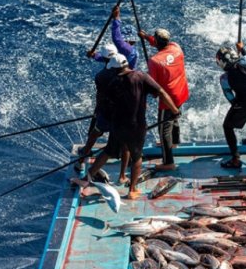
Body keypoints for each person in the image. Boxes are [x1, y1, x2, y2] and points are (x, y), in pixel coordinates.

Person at [86, 54, 179, 199]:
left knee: (108, 151)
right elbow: (160, 92)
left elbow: (105, 104)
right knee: (136, 157)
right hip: (136, 126)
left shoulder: (113, 82)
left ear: (115, 69)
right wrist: (174, 110)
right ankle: (132, 190)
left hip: (117, 125)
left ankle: (87, 178)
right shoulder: (141, 76)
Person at [138, 27, 190, 171]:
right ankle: (174, 142)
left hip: (168, 99)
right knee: (175, 117)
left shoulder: (154, 61)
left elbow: (153, 86)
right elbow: (159, 43)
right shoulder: (176, 48)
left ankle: (168, 162)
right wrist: (146, 37)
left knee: (163, 130)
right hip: (181, 92)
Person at [76, 43, 129, 181]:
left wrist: (97, 111)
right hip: (123, 115)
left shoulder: (101, 76)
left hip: (106, 113)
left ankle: (81, 159)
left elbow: (100, 97)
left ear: (104, 59)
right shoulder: (127, 71)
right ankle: (122, 176)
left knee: (94, 134)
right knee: (125, 145)